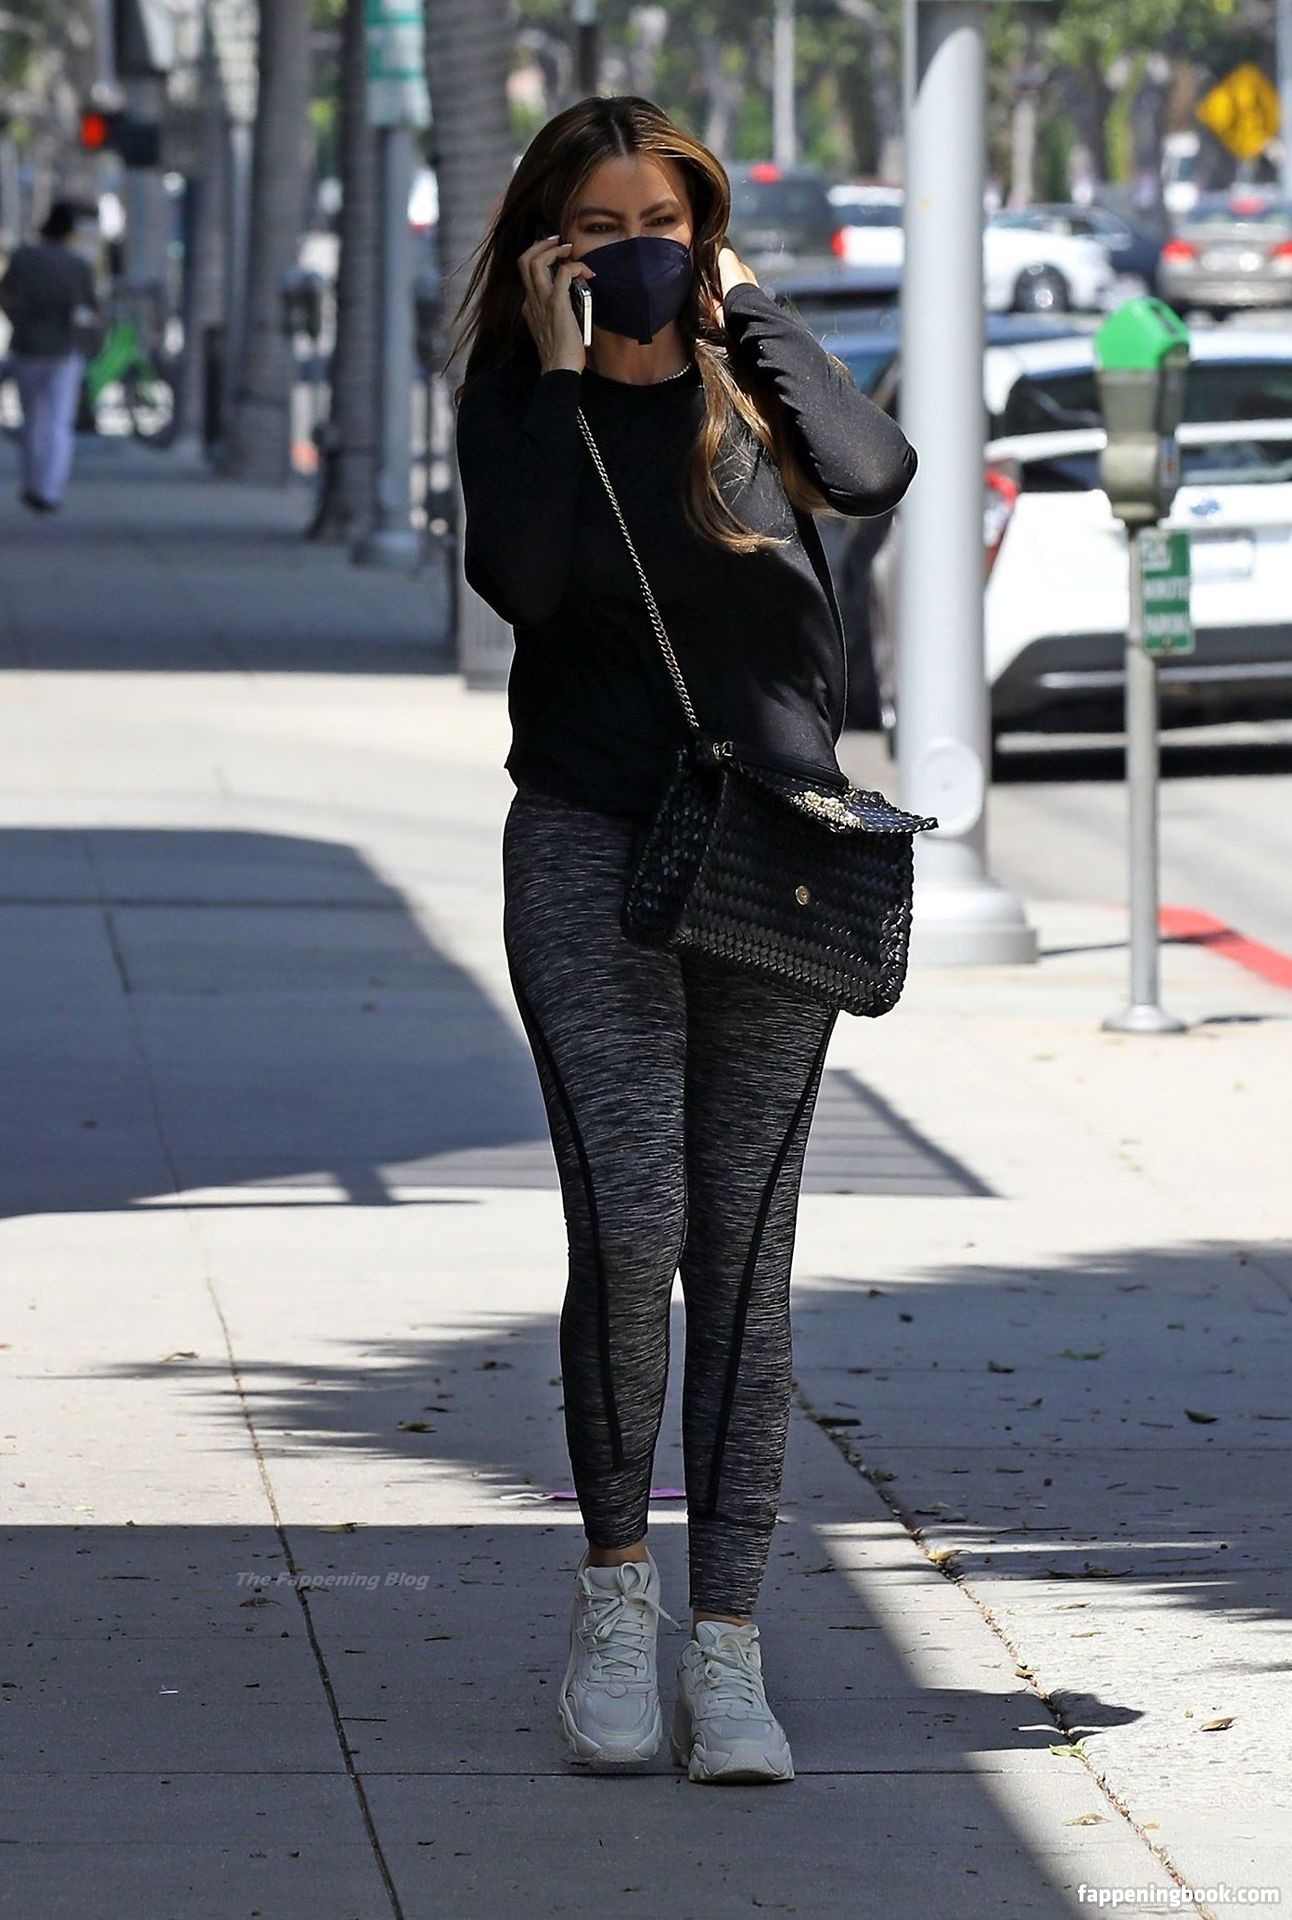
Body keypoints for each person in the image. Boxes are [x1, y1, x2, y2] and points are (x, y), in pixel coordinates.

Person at [450, 96, 916, 1785]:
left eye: (666, 219)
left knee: (744, 1252)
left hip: (776, 862)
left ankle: (728, 1646)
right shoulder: (523, 405)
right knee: (631, 1217)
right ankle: (613, 1595)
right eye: (604, 226)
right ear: (548, 247)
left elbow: (872, 471)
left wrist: (745, 308)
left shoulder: (755, 389)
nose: (640, 249)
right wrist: (567, 368)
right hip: (590, 848)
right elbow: (525, 582)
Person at [0, 200, 99, 513]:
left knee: (33, 419)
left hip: (27, 347)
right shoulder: (77, 265)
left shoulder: (23, 258)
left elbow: (6, 296)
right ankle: (49, 489)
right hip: (64, 349)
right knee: (58, 422)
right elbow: (90, 309)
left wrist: (20, 319)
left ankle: (33, 485)